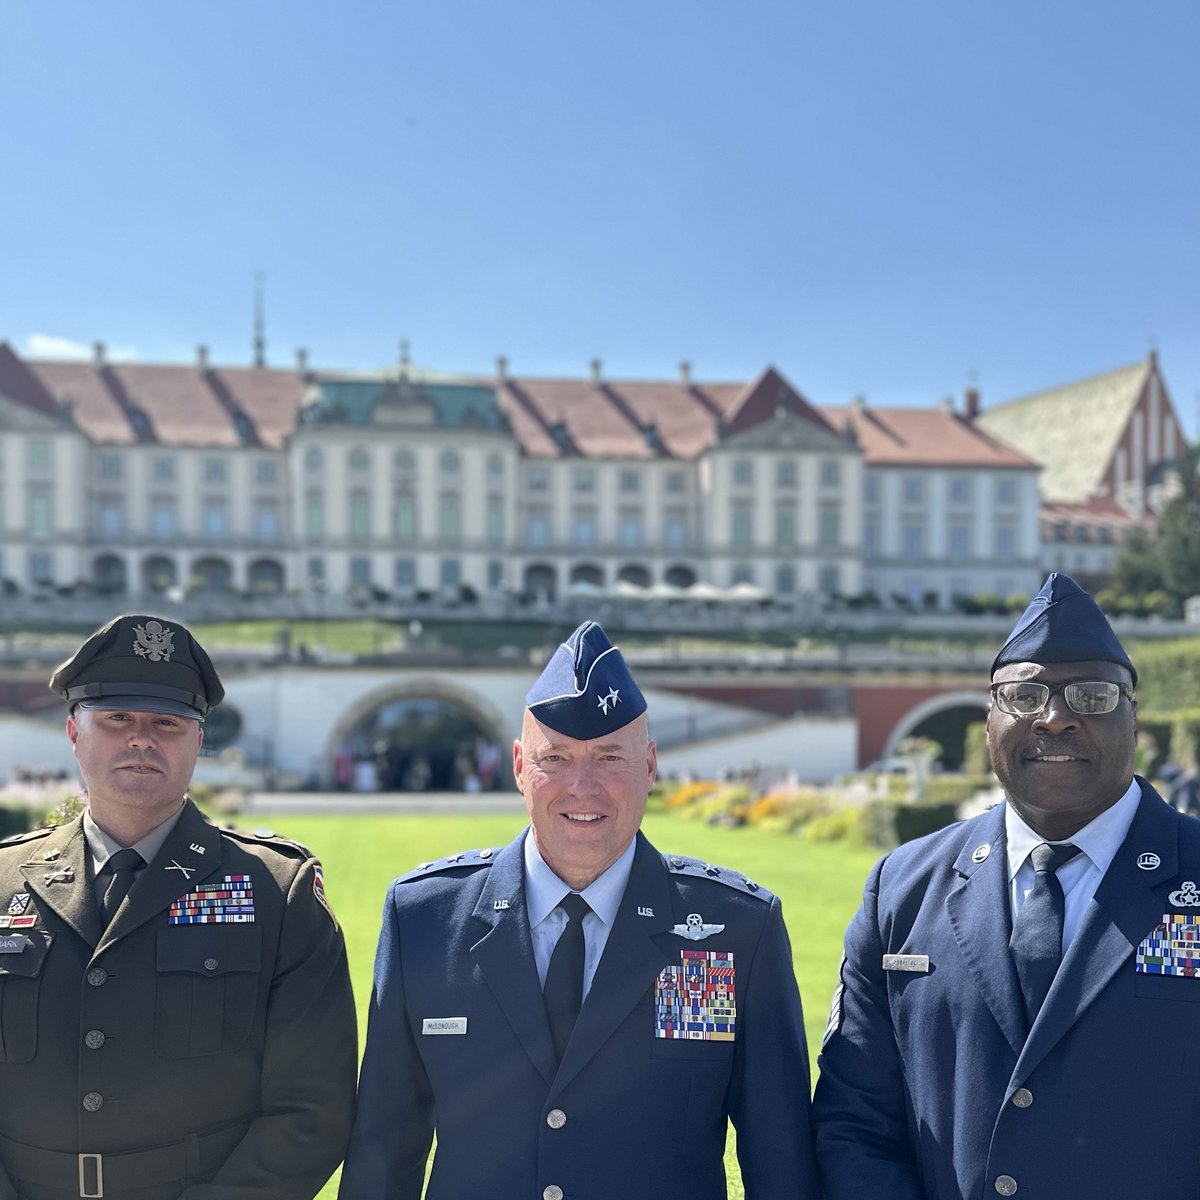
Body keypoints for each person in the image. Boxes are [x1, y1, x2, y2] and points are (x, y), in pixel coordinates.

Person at [339, 620, 820, 1200]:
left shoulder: (738, 929)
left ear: (650, 766)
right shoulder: (425, 919)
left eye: (610, 757)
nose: (582, 786)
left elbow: (781, 1158)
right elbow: (383, 1152)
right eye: (557, 758)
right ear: (519, 766)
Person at [812, 573, 1200, 1198]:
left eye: (1093, 695)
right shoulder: (904, 888)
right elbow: (856, 1122)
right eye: (1023, 695)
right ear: (989, 719)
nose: (1056, 718)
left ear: (1135, 718)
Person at [0, 614, 358, 1200]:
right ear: (73, 733)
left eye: (167, 722)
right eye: (117, 718)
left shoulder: (276, 891)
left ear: (198, 740)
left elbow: (313, 1107)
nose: (142, 738)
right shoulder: (4, 880)